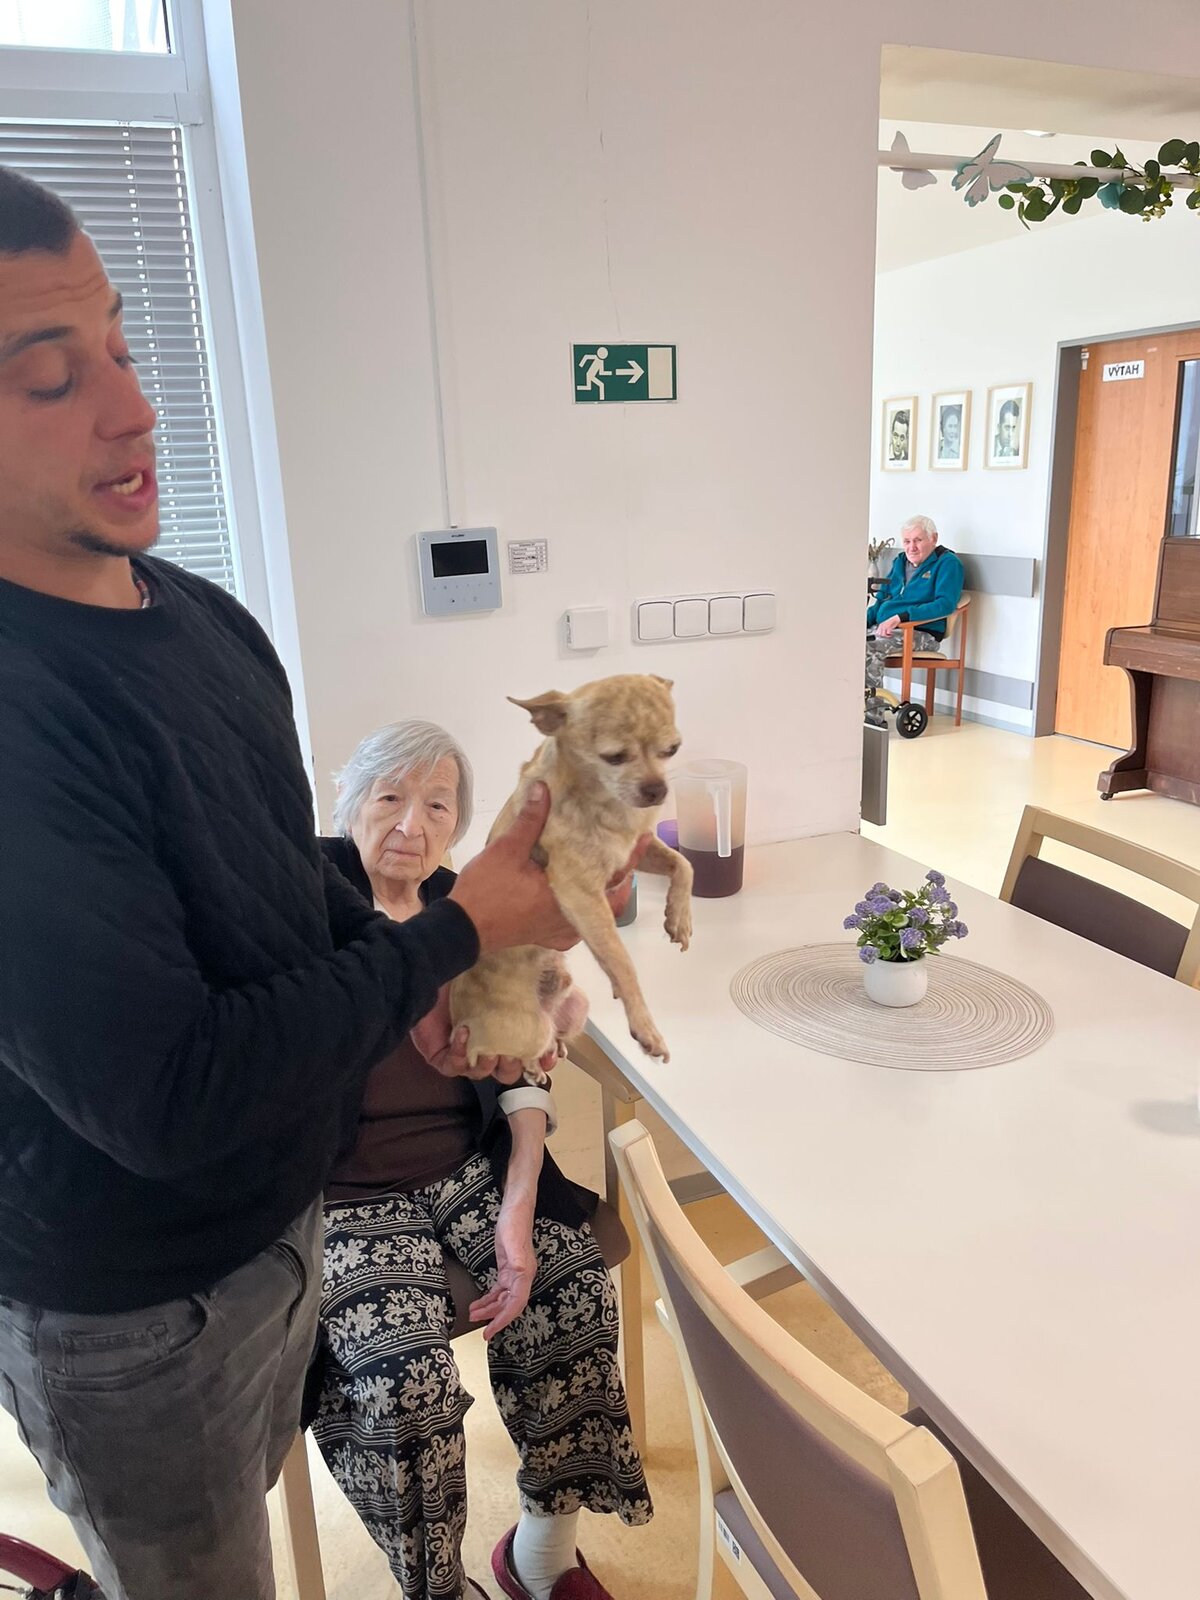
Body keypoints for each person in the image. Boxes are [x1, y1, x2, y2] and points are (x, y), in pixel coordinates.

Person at [0, 165, 633, 1600]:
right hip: (133, 1301)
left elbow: (275, 875)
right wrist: (460, 929)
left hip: (284, 1216)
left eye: (120, 342)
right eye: (49, 376)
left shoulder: (201, 618)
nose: (134, 408)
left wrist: (453, 977)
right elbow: (168, 1093)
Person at [312, 720, 650, 1600]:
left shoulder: (469, 908)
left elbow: (528, 1061)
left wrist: (518, 1204)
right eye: (390, 797)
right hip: (345, 1196)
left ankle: (540, 1554)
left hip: (470, 1164)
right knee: (406, 1380)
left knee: (572, 1286)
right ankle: (439, 1588)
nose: (410, 825)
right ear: (347, 800)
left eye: (437, 806)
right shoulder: (300, 903)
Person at [864, 515, 965, 726]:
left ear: (934, 538)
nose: (912, 547)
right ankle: (847, 711)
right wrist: (856, 623)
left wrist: (900, 617)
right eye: (907, 541)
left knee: (868, 647)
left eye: (918, 540)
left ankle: (872, 720)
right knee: (846, 641)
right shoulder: (900, 562)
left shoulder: (948, 563)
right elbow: (881, 600)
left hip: (921, 632)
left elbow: (945, 604)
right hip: (886, 628)